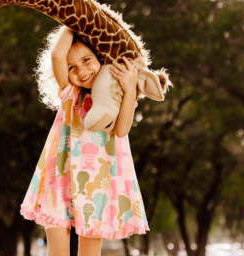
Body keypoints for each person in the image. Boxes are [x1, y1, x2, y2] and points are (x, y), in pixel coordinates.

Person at [20, 26, 148, 256]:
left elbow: (121, 131)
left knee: (89, 252)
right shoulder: (70, 93)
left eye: (87, 59)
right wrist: (77, 20)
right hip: (60, 177)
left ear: (100, 56)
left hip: (98, 186)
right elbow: (57, 55)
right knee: (57, 251)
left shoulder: (114, 102)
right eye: (72, 68)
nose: (82, 70)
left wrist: (130, 90)